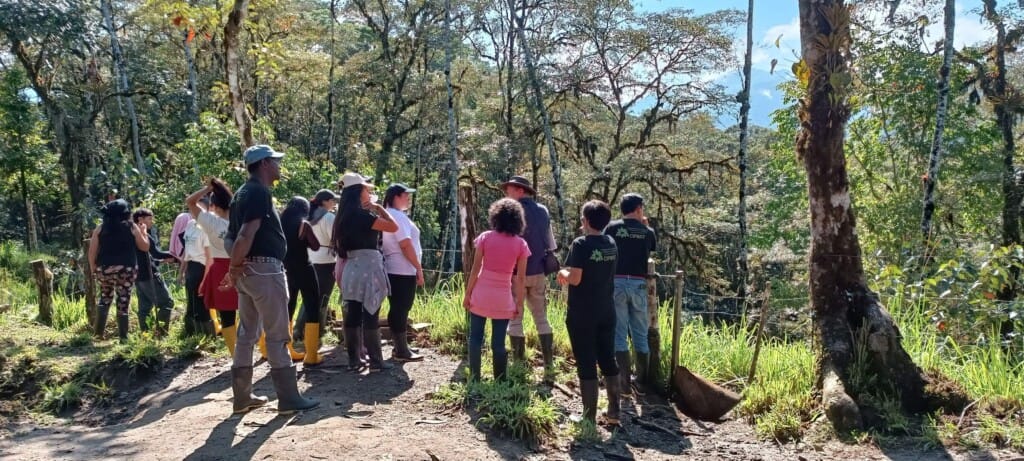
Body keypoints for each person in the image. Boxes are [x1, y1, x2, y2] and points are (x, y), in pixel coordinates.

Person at [224, 144, 318, 414]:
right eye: (275, 161)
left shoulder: (240, 194)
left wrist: (236, 266)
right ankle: (288, 399)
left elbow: (230, 238)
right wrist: (234, 267)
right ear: (264, 164)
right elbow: (244, 234)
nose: (278, 166)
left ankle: (242, 397)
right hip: (265, 271)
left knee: (246, 335)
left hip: (247, 273)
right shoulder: (258, 192)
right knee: (277, 335)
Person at [556, 200, 621, 424]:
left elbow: (575, 278)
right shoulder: (611, 242)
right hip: (607, 310)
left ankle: (588, 418)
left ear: (585, 220)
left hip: (582, 312)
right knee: (607, 359)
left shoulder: (581, 244)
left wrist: (563, 273)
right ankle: (614, 412)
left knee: (586, 361)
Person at [331, 172, 399, 372]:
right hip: (369, 267)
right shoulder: (365, 216)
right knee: (371, 312)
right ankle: (376, 361)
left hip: (351, 267)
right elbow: (393, 227)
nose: (369, 192)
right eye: (366, 189)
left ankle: (354, 360)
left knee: (352, 313)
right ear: (358, 192)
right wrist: (380, 209)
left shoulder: (342, 217)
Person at [463, 198, 529, 381]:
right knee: (498, 343)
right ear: (518, 220)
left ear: (495, 216)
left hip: (481, 294)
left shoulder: (485, 237)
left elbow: (475, 269)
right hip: (503, 298)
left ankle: (474, 378)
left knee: (475, 338)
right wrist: (519, 303)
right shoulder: (521, 244)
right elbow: (520, 279)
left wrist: (468, 294)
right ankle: (500, 380)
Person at [501, 175, 557, 377]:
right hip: (539, 271)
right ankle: (549, 366)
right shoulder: (543, 211)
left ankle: (518, 365)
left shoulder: (510, 212)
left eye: (510, 189)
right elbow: (551, 244)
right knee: (541, 317)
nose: (507, 192)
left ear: (520, 191)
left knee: (515, 318)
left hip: (516, 273)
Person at [604, 193, 657, 396]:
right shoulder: (648, 231)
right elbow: (650, 248)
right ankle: (642, 384)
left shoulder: (612, 228)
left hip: (616, 281)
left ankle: (624, 386)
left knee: (619, 334)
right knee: (640, 334)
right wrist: (643, 225)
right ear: (638, 209)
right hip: (639, 283)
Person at [186, 179, 240, 356]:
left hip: (220, 270)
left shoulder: (211, 222)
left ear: (215, 206)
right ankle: (263, 350)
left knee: (227, 315)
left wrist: (208, 188)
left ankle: (236, 355)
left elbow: (190, 201)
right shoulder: (241, 221)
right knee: (252, 311)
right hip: (243, 268)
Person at [88, 199, 150, 342]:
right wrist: (144, 232)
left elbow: (92, 251)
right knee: (123, 299)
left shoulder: (100, 228)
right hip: (126, 270)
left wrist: (93, 268)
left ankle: (98, 335)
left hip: (105, 270)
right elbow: (145, 247)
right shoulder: (131, 227)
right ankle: (123, 337)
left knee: (105, 298)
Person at [382, 183, 424, 362]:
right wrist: (418, 268)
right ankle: (401, 350)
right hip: (403, 269)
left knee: (398, 307)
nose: (408, 198)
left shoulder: (389, 214)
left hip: (394, 268)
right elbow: (405, 244)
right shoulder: (398, 216)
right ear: (396, 197)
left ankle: (400, 346)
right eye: (406, 195)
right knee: (402, 307)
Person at [280, 196, 323, 364]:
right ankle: (311, 355)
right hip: (304, 269)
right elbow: (316, 246)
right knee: (312, 307)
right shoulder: (303, 223)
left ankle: (288, 350)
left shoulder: (280, 223)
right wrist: (307, 231)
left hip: (285, 270)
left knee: (288, 309)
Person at [295, 189, 339, 341]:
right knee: (322, 297)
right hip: (326, 261)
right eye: (332, 200)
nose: (334, 203)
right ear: (325, 201)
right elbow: (334, 239)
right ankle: (312, 330)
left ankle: (300, 329)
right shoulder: (328, 217)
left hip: (310, 258)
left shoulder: (308, 215)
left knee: (310, 296)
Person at [132, 208, 177, 336]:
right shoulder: (142, 234)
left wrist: (162, 261)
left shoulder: (130, 233)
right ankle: (161, 333)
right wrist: (178, 255)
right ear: (140, 219)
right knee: (167, 302)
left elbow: (145, 257)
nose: (152, 221)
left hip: (138, 276)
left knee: (144, 308)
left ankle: (145, 335)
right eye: (149, 218)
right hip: (149, 275)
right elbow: (156, 253)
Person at [178, 209, 212, 337]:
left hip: (201, 266)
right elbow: (186, 250)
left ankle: (206, 335)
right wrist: (181, 271)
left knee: (201, 303)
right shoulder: (190, 224)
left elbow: (209, 257)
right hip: (190, 267)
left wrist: (205, 279)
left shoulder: (206, 229)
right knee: (191, 302)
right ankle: (191, 333)